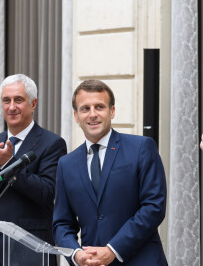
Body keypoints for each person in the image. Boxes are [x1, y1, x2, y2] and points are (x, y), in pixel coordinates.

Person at [53, 80, 167, 266]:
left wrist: (113, 249)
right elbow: (62, 223)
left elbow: (153, 207)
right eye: (85, 108)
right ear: (76, 115)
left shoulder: (141, 148)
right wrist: (75, 253)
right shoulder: (66, 164)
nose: (93, 114)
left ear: (112, 111)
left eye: (99, 107)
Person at [0, 74, 67, 266]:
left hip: (30, 250)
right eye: (6, 100)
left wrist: (9, 163)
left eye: (18, 100)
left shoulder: (52, 143)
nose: (11, 107)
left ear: (33, 104)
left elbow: (47, 193)